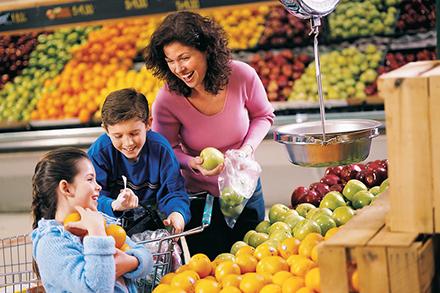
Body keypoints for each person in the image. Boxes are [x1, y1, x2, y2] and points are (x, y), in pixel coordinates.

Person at [144, 11, 275, 259]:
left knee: (258, 263)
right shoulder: (167, 99)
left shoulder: (241, 75)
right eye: (170, 61)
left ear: (206, 50)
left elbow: (263, 116)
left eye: (184, 57)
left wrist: (246, 150)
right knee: (211, 268)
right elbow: (165, 149)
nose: (178, 68)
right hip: (200, 199)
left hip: (244, 188)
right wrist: (192, 163)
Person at [31, 147, 152, 292]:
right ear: (66, 188)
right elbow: (95, 289)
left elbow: (147, 257)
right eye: (90, 179)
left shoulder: (101, 223)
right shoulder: (51, 243)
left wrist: (132, 262)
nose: (99, 186)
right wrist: (96, 231)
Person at [87, 88, 191, 235]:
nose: (128, 143)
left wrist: (177, 213)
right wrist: (114, 205)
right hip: (109, 232)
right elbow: (89, 196)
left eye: (134, 133)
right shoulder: (99, 153)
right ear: (106, 130)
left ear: (148, 123)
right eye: (118, 136)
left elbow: (173, 192)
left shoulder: (161, 150)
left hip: (153, 231)